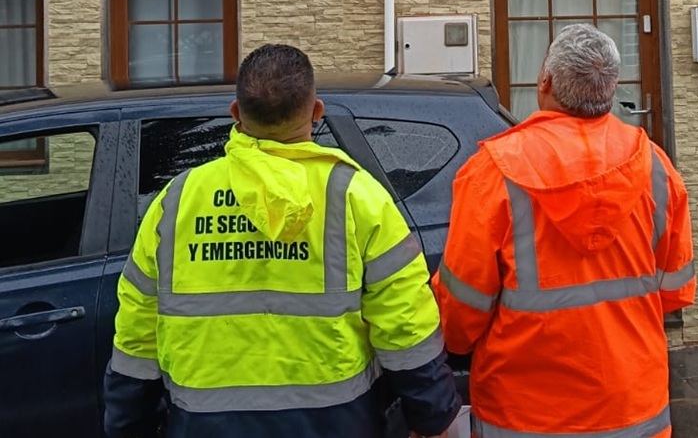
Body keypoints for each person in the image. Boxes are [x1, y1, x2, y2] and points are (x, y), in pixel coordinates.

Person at [104, 43, 459, 438]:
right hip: (336, 423)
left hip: (204, 425)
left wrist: (126, 425)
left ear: (236, 113)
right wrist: (433, 418)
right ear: (316, 112)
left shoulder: (176, 200)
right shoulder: (358, 197)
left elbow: (136, 333)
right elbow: (405, 323)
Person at [433, 23, 696, 438]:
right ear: (610, 87)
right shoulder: (656, 167)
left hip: (524, 414)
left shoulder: (493, 172)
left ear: (545, 81)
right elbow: (674, 292)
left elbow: (461, 319)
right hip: (633, 408)